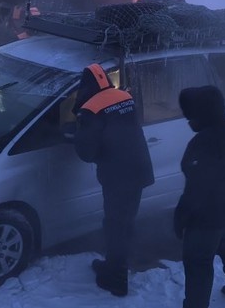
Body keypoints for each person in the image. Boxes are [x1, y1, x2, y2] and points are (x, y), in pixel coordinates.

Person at [72, 63, 154, 296]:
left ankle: (117, 280)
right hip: (139, 169)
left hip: (118, 177)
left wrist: (77, 134)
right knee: (126, 221)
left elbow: (86, 153)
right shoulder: (124, 95)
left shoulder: (89, 109)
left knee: (115, 225)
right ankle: (116, 264)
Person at [174, 85, 225, 308]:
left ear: (202, 112)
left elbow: (198, 187)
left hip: (206, 218)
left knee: (198, 262)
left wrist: (181, 215)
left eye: (191, 115)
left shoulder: (203, 142)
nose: (188, 121)